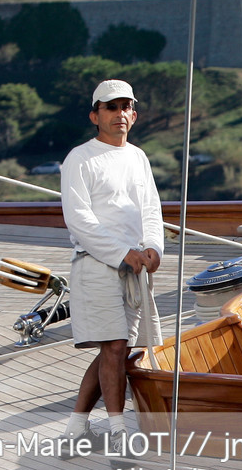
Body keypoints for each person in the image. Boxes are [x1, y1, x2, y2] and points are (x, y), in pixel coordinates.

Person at [60, 78, 165, 450]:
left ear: (133, 114)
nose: (120, 113)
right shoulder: (79, 158)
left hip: (135, 266)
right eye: (111, 107)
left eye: (126, 107)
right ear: (95, 115)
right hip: (97, 264)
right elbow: (79, 219)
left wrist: (153, 247)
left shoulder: (138, 156)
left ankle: (75, 427)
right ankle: (119, 429)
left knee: (118, 348)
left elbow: (151, 209)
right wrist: (123, 253)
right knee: (117, 346)